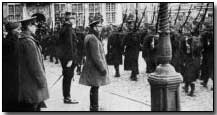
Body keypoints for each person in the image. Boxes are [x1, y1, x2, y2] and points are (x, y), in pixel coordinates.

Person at [79, 14, 110, 111]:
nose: (101, 28)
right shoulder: (93, 38)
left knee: (94, 87)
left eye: (101, 26)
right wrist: (102, 68)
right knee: (95, 87)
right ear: (94, 27)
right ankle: (94, 107)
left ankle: (93, 106)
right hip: (95, 68)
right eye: (99, 26)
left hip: (91, 66)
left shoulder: (90, 36)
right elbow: (96, 56)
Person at [18, 17, 49, 111]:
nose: (36, 28)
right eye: (34, 25)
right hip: (32, 84)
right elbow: (35, 66)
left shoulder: (22, 39)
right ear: (29, 26)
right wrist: (42, 81)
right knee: (34, 107)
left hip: (26, 82)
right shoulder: (28, 42)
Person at [57, 12, 79, 104]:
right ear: (69, 20)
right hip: (68, 58)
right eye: (73, 18)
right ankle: (67, 97)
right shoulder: (68, 29)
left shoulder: (64, 28)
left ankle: (66, 96)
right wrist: (70, 59)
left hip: (64, 57)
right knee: (68, 77)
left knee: (67, 77)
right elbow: (69, 44)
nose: (74, 20)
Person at [3, 22, 21, 111]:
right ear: (12, 31)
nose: (19, 31)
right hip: (12, 71)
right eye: (17, 29)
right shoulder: (11, 41)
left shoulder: (11, 39)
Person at [123, 14, 141, 81]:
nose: (130, 25)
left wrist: (123, 49)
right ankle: (134, 74)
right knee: (135, 61)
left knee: (132, 62)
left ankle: (134, 75)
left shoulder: (128, 34)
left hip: (130, 50)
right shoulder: (137, 33)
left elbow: (123, 42)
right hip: (136, 50)